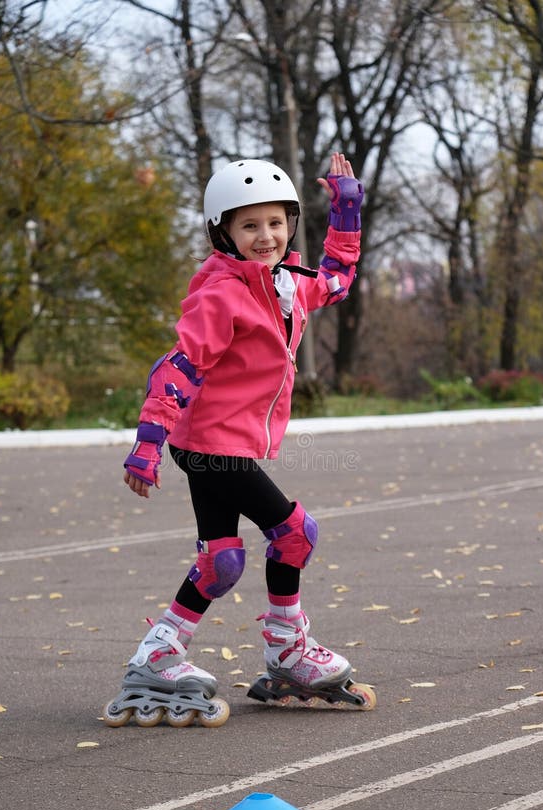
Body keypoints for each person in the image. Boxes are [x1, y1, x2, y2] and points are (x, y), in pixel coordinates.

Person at [103, 152, 376, 728]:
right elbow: (177, 368)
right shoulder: (220, 294)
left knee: (222, 561)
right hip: (208, 444)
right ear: (222, 231)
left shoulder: (290, 285)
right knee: (296, 533)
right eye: (249, 225)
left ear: (290, 225)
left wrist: (347, 207)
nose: (265, 235)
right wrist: (148, 443)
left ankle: (158, 654)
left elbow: (339, 278)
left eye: (276, 222)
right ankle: (289, 651)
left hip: (226, 442)